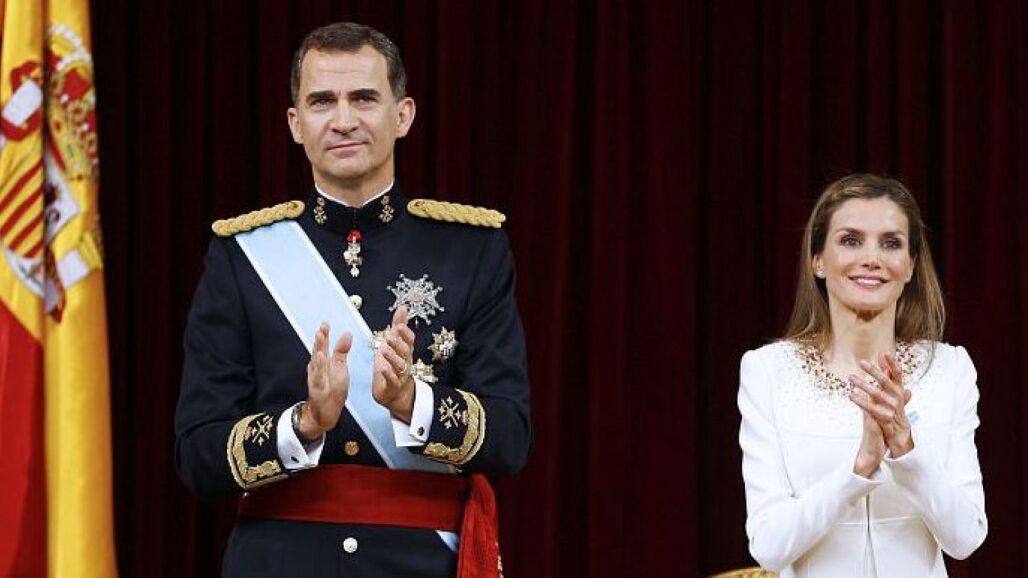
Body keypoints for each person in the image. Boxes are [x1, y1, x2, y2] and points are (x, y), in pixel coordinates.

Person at [174, 22, 530, 578]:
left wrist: (413, 402)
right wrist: (304, 423)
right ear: (295, 124)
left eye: (364, 98)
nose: (343, 120)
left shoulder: (471, 251)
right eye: (322, 101)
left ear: (402, 115)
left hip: (420, 565)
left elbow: (510, 437)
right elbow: (198, 457)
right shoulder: (241, 258)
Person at [737, 174, 987, 577]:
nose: (872, 258)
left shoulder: (949, 369)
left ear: (910, 266)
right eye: (851, 240)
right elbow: (769, 546)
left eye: (891, 243)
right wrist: (859, 470)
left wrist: (906, 449)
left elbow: (966, 537)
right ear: (817, 260)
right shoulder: (768, 371)